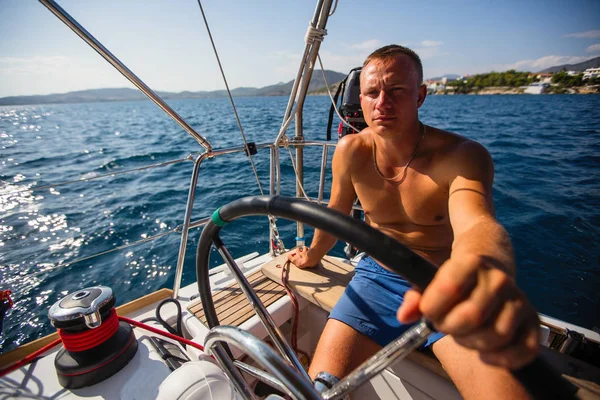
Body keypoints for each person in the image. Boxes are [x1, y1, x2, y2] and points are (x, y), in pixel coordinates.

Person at [288, 45, 540, 399]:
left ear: (420, 95)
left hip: (447, 288)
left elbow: (477, 225)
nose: (382, 103)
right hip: (375, 281)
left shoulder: (461, 156)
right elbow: (336, 214)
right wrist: (312, 256)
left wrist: (484, 266)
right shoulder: (350, 152)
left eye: (396, 91)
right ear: (359, 100)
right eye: (372, 93)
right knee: (318, 390)